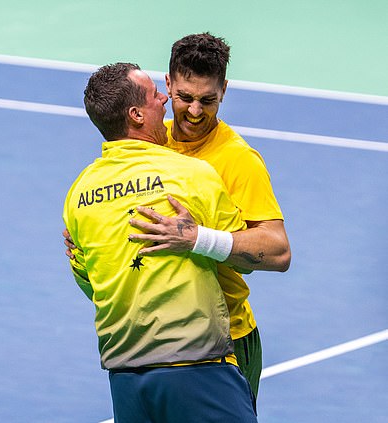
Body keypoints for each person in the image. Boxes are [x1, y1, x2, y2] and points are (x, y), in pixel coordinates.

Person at [64, 33, 291, 399]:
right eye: (185, 98)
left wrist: (197, 238)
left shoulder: (238, 160)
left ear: (224, 91)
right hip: (149, 342)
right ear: (168, 86)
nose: (195, 112)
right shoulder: (146, 140)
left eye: (208, 100)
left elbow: (278, 251)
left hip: (224, 342)